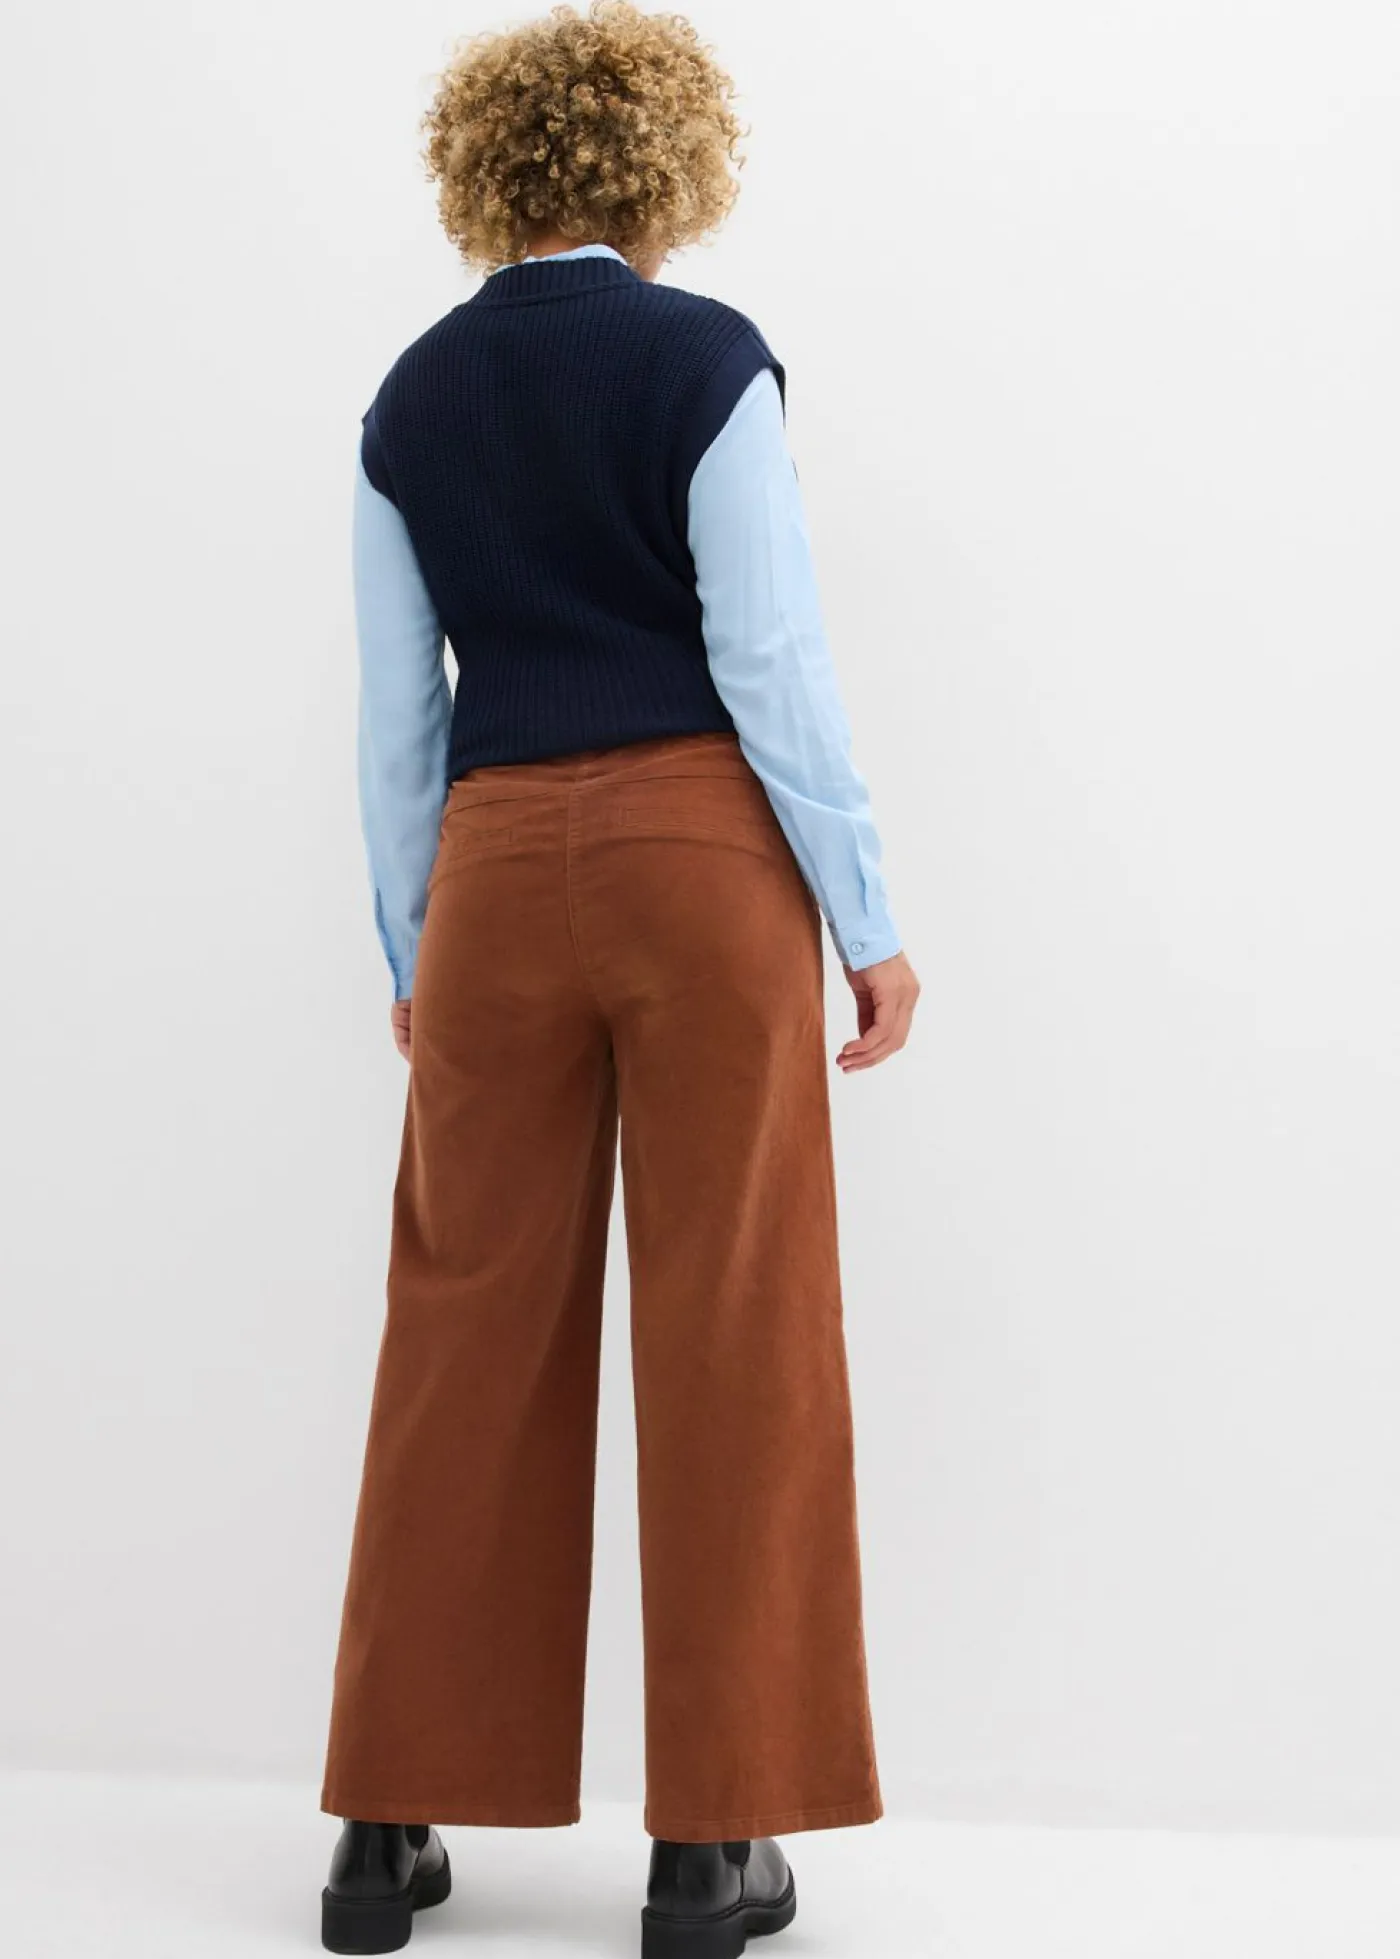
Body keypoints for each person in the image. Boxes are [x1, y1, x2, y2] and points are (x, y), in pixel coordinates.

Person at [318, 4, 921, 1953]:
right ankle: (708, 1847)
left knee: (459, 1324)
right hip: (697, 858)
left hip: (495, 871)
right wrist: (865, 914)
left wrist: (417, 940)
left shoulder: (410, 401)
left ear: (485, 173)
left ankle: (380, 1830)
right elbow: (768, 655)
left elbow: (397, 721)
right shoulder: (702, 359)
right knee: (735, 1321)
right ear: (666, 170)